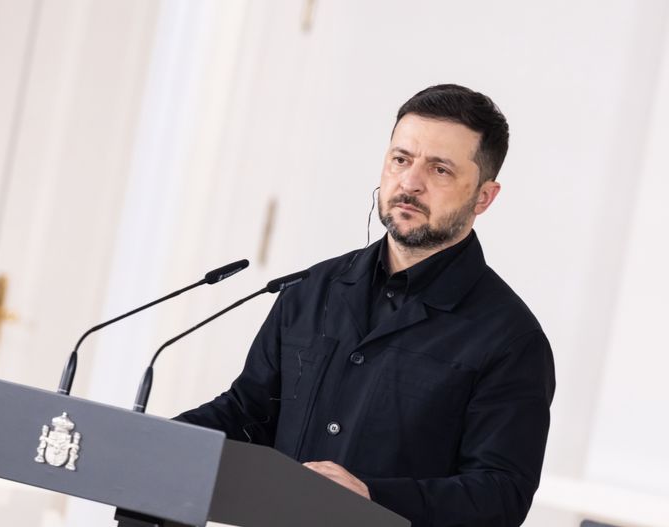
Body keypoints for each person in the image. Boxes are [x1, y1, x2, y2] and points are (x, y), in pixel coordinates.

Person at [176, 84, 556, 526]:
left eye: (440, 170)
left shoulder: (510, 339)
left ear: (484, 197)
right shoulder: (310, 289)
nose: (410, 183)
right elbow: (249, 414)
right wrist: (154, 439)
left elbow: (500, 495)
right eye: (401, 159)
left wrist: (372, 496)